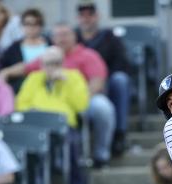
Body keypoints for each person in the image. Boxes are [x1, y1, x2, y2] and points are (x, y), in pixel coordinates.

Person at [24, 23, 115, 168]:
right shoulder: (39, 71)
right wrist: (4, 73)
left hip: (81, 102)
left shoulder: (86, 58)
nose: (62, 39)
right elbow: (24, 72)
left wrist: (71, 88)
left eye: (65, 34)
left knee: (102, 107)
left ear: (74, 36)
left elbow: (96, 83)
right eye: (58, 35)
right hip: (43, 117)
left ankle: (101, 155)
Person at [15, 46, 89, 184]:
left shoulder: (73, 76)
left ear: (63, 63)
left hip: (64, 125)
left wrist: (66, 83)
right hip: (37, 126)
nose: (52, 67)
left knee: (71, 141)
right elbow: (21, 104)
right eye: (48, 63)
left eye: (56, 63)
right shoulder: (33, 78)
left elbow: (81, 105)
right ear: (42, 65)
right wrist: (33, 111)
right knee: (23, 142)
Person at [75, 0, 132, 157]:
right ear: (78, 18)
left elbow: (123, 64)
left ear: (97, 16)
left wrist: (101, 79)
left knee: (120, 79)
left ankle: (119, 134)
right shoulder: (73, 39)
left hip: (106, 84)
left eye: (90, 15)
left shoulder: (109, 37)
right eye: (82, 15)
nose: (86, 19)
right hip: (80, 86)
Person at [0, 8, 50, 92]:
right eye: (28, 24)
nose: (32, 27)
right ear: (22, 26)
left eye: (36, 24)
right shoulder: (13, 49)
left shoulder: (50, 45)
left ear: (41, 26)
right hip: (21, 90)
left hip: (47, 88)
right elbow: (1, 70)